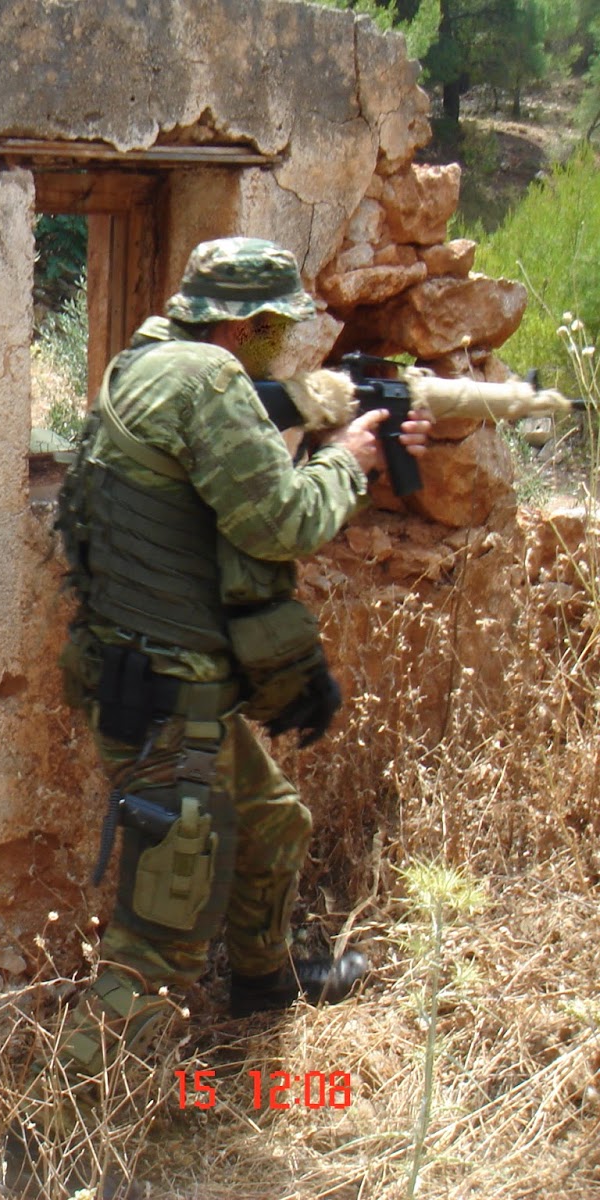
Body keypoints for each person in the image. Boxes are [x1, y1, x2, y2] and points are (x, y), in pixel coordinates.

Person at [52, 238, 432, 1074]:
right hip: (165, 700)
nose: (279, 341)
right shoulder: (211, 377)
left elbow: (217, 471)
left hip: (157, 681)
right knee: (163, 936)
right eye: (275, 327)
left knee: (271, 821)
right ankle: (57, 1138)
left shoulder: (146, 364)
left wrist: (310, 415)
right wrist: (347, 460)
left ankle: (265, 979)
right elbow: (282, 523)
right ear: (251, 323)